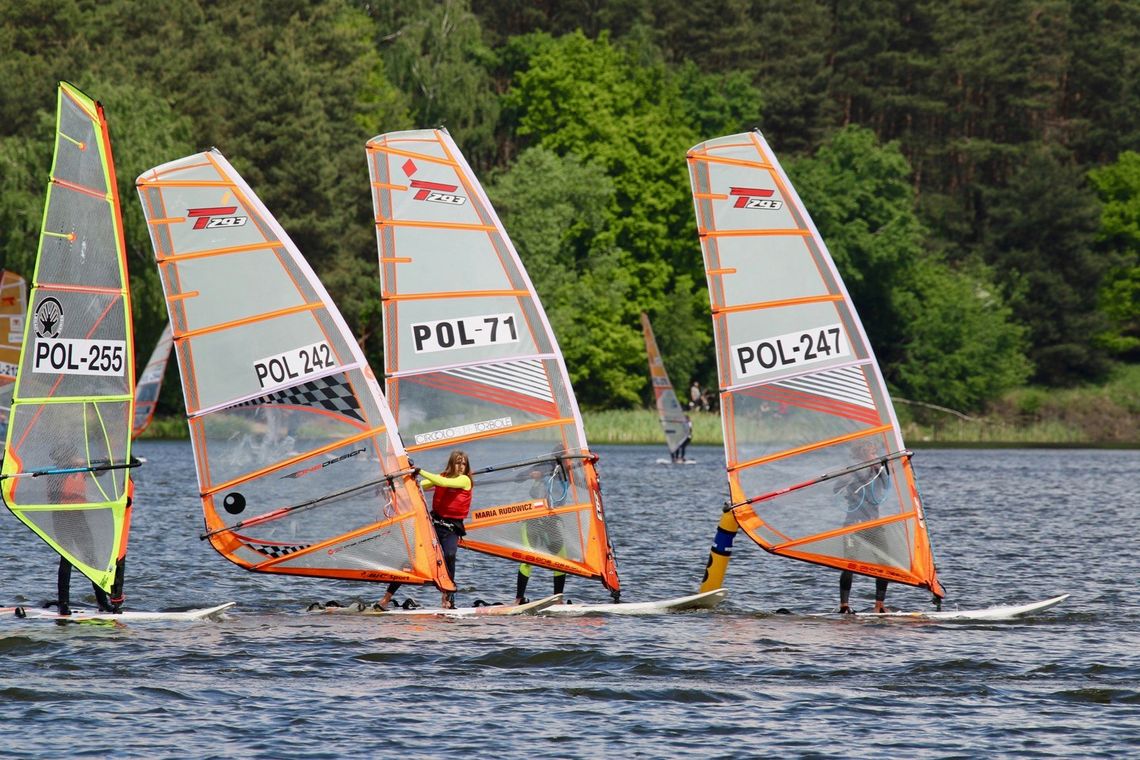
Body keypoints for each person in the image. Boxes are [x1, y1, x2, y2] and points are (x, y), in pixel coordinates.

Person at [375, 450, 472, 611]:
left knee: (449, 556)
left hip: (451, 529)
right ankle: (385, 599)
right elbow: (419, 486)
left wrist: (420, 471)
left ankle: (448, 599)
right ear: (451, 464)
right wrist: (394, 487)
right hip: (434, 526)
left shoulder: (464, 480)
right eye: (457, 463)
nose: (461, 466)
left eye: (463, 463)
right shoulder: (442, 477)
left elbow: (443, 483)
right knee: (411, 559)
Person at [836, 441, 890, 614]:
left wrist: (878, 469)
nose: (874, 456)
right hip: (853, 524)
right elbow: (836, 488)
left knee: (884, 562)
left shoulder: (878, 471)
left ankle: (879, 604)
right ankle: (844, 605)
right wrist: (848, 478)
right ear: (861, 455)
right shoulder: (850, 471)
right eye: (870, 453)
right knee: (849, 563)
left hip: (873, 523)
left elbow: (887, 485)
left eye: (875, 453)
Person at [514, 451, 570, 604]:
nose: (569, 462)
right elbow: (517, 478)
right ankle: (519, 599)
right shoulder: (546, 466)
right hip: (532, 519)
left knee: (561, 560)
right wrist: (533, 474)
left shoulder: (570, 472)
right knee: (528, 559)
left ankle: (558, 599)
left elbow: (584, 481)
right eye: (567, 458)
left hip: (551, 521)